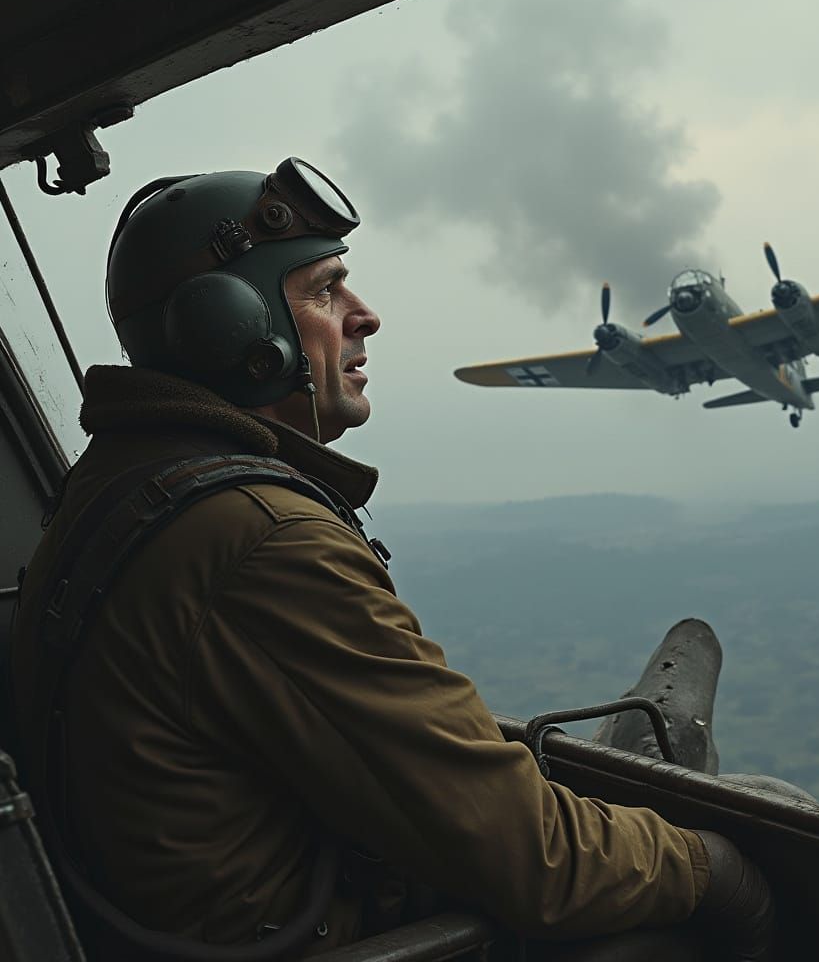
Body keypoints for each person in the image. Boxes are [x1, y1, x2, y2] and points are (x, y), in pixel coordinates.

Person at [12, 160, 772, 958]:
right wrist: (718, 868)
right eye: (325, 290)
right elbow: (537, 862)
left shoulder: (114, 488)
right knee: (720, 874)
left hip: (190, 922)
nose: (365, 316)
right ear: (231, 328)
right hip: (322, 941)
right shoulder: (264, 539)